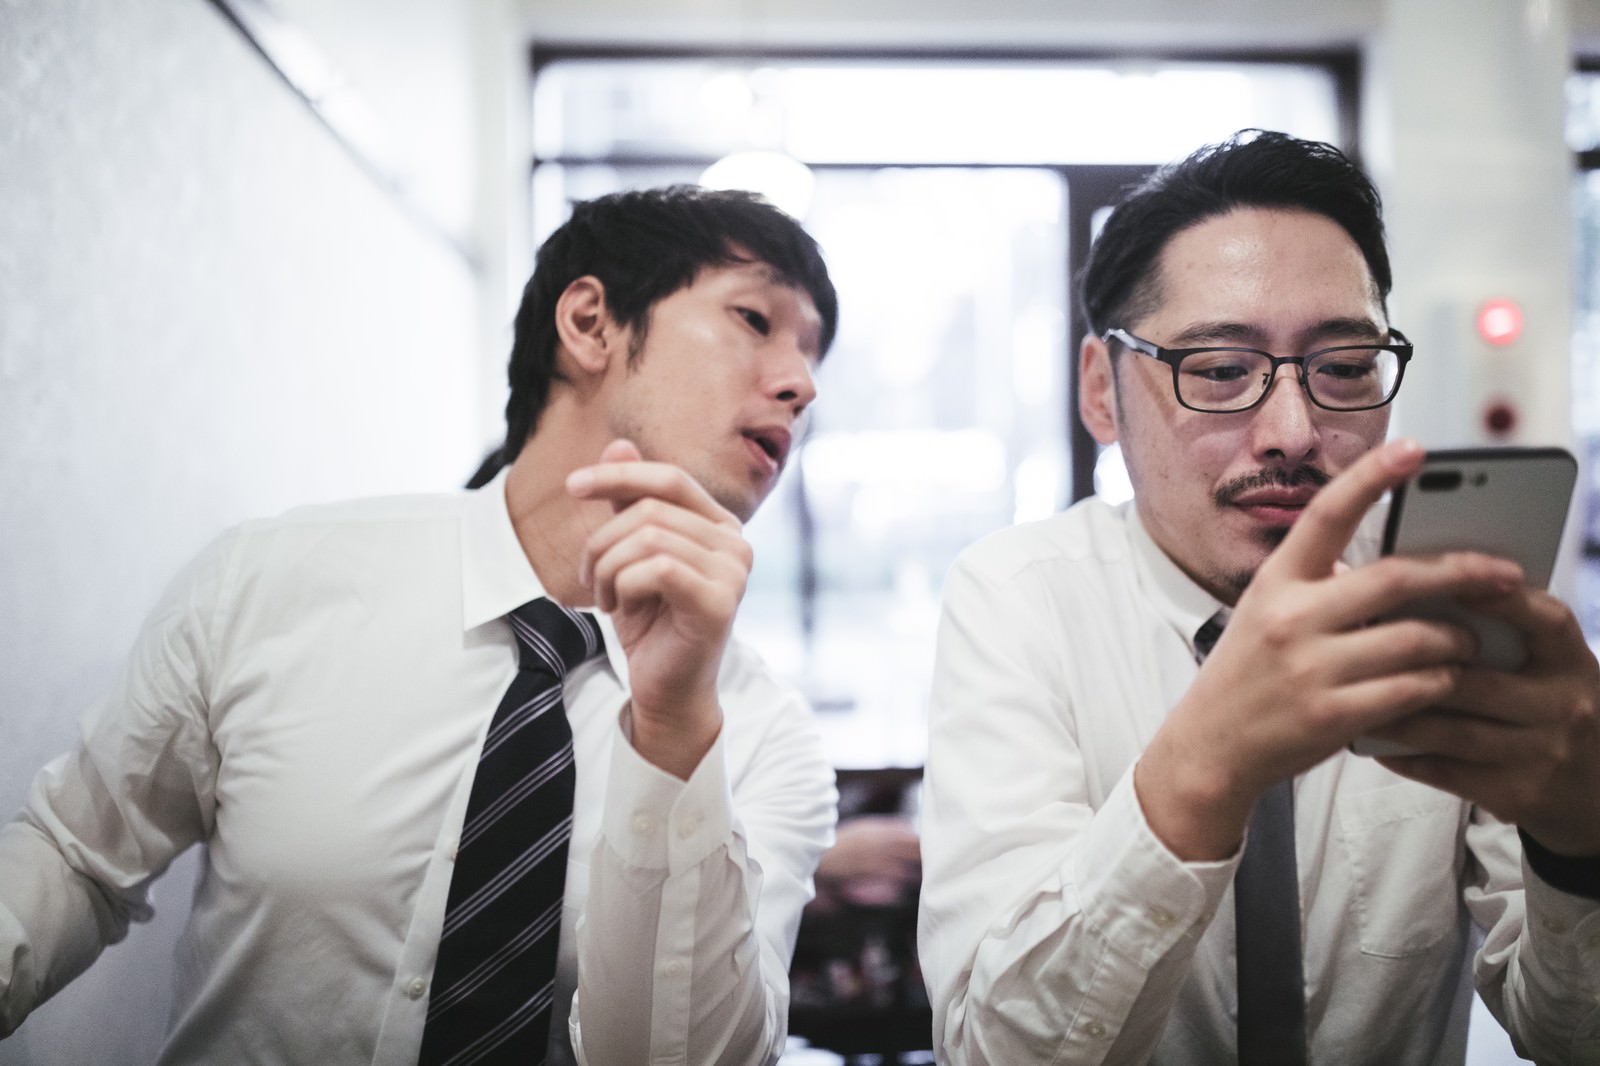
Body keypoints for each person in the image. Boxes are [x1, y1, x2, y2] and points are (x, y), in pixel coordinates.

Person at [0, 185, 841, 1066]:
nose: (802, 383)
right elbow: (77, 855)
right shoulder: (272, 582)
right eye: (756, 319)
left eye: (814, 356)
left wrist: (671, 734)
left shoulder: (760, 739)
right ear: (591, 323)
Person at [917, 130, 1600, 1065]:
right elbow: (991, 1049)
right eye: (1220, 370)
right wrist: (1206, 766)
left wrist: (1581, 843)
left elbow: (1569, 1034)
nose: (1292, 431)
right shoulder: (1020, 600)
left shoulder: (1433, 602)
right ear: (1100, 392)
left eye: (1345, 368)